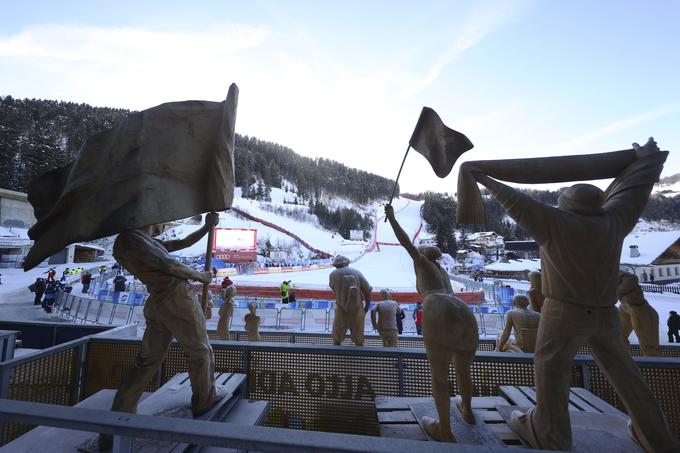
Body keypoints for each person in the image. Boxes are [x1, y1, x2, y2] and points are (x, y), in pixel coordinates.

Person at [468, 140, 677, 451]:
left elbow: (514, 200)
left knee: (551, 367)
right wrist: (647, 159)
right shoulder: (614, 219)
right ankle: (657, 436)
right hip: (605, 312)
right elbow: (635, 190)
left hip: (563, 311)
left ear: (565, 203)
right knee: (626, 375)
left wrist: (482, 177)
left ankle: (550, 434)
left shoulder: (555, 222)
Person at [98, 213, 224, 450]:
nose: (162, 226)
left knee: (147, 362)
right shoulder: (132, 240)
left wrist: (206, 227)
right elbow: (168, 264)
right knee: (200, 350)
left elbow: (180, 244)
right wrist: (199, 276)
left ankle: (121, 414)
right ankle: (203, 400)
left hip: (158, 302)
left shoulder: (140, 241)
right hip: (176, 297)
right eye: (161, 221)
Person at [385, 204, 478, 442]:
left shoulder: (423, 263)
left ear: (423, 255)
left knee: (440, 376)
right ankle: (467, 411)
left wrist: (392, 218)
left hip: (438, 307)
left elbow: (406, 243)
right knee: (463, 370)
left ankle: (444, 429)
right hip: (462, 309)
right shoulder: (442, 271)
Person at [328, 255, 372, 346]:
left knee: (337, 336)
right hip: (357, 309)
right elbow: (367, 290)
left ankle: (336, 355)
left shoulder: (332, 274)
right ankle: (359, 355)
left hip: (340, 308)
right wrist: (367, 306)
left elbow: (333, 288)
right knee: (359, 336)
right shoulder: (357, 273)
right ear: (347, 263)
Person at [617, 271, 660, 356]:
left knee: (648, 345)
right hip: (625, 307)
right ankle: (626, 362)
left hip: (639, 308)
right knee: (618, 337)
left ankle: (653, 365)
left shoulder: (610, 271)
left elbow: (632, 278)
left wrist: (618, 292)